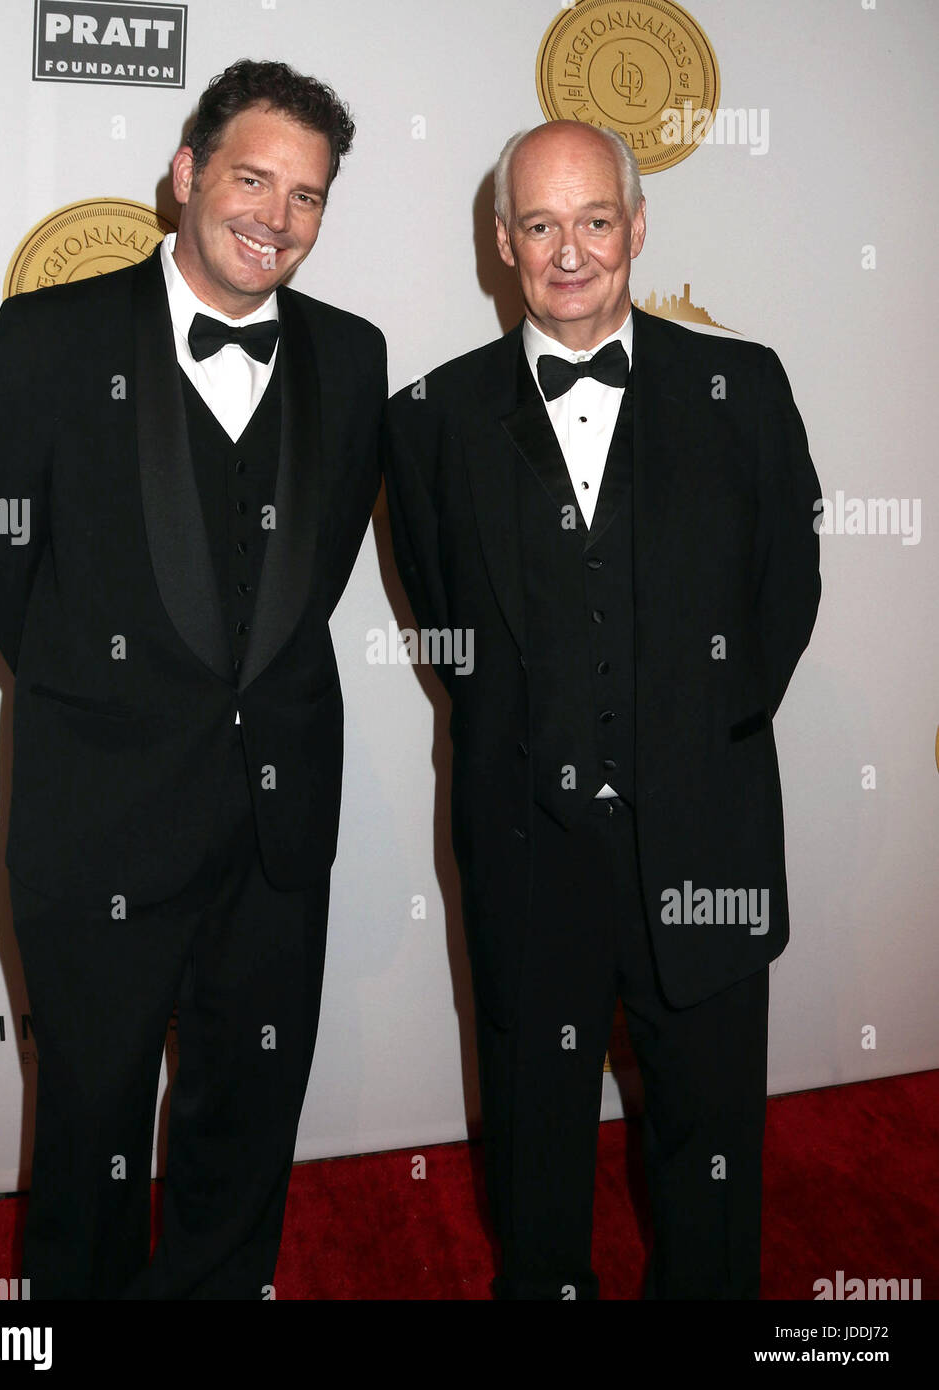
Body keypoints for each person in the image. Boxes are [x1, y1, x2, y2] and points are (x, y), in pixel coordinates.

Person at [0, 58, 386, 1300]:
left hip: (277, 826)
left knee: (245, 1121)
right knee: (88, 1128)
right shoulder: (51, 335)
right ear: (188, 175)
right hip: (99, 822)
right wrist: (104, 690)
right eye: (254, 177)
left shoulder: (351, 360)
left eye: (307, 196)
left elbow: (320, 565)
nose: (277, 215)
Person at [384, 120, 820, 1300]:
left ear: (637, 227)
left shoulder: (745, 388)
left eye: (593, 220)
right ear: (502, 241)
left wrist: (690, 749)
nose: (568, 250)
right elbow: (447, 628)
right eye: (540, 224)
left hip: (708, 839)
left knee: (714, 1153)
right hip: (529, 854)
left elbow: (786, 596)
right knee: (535, 1158)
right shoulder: (427, 418)